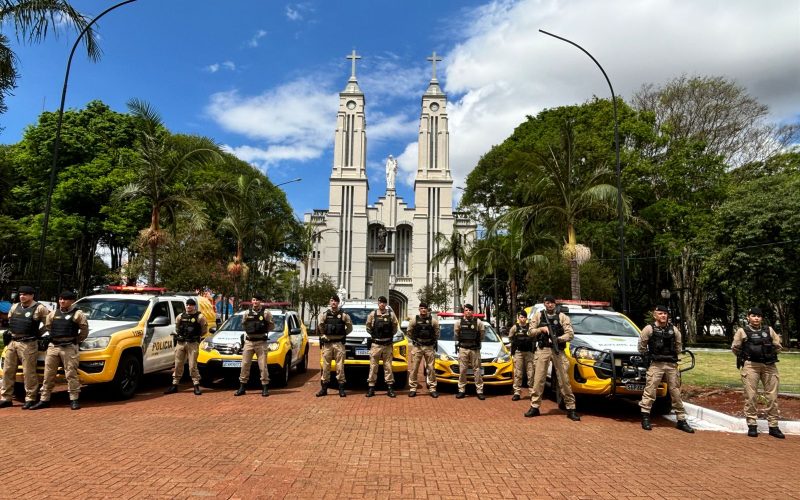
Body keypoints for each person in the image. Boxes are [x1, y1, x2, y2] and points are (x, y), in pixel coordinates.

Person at [637, 305, 693, 433]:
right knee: (650, 390)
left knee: (675, 392)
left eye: (665, 314)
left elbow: (678, 346)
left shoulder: (674, 330)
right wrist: (647, 357)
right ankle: (645, 417)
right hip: (656, 364)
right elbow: (641, 346)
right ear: (655, 315)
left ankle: (681, 420)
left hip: (671, 364)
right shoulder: (649, 329)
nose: (663, 316)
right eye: (660, 313)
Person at [732, 307, 785, 438]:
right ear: (748, 317)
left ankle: (773, 426)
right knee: (751, 395)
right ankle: (752, 424)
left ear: (762, 318)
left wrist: (769, 353)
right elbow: (735, 348)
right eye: (753, 315)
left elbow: (778, 346)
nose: (756, 318)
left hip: (769, 366)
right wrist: (746, 357)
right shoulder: (742, 331)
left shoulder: (769, 330)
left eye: (759, 316)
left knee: (772, 396)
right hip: (751, 366)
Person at [31, 290, 89, 410]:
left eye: (65, 299)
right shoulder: (53, 313)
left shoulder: (78, 314)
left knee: (71, 374)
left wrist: (75, 340)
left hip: (69, 347)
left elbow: (84, 332)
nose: (62, 301)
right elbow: (48, 326)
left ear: (72, 301)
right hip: (53, 347)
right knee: (48, 374)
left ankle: (74, 399)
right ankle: (44, 399)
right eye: (60, 299)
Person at [525, 296, 580, 421]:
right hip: (543, 349)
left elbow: (570, 334)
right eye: (547, 303)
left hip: (558, 350)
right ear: (544, 304)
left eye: (551, 303)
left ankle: (570, 408)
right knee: (538, 379)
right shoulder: (538, 316)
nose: (549, 305)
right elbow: (530, 332)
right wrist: (541, 329)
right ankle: (535, 406)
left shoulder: (562, 317)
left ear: (555, 304)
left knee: (564, 380)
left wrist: (558, 339)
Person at [0, 285, 49, 409]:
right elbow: (11, 321)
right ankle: (6, 398)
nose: (22, 296)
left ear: (32, 295)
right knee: (7, 371)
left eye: (25, 294)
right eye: (21, 294)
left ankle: (30, 398)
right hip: (13, 342)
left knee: (28, 372)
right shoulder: (15, 306)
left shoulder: (39, 308)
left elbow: (49, 323)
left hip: (28, 344)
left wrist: (38, 334)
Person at [164, 298, 208, 396]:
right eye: (187, 305)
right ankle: (174, 385)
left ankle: (196, 385)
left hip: (192, 343)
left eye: (191, 305)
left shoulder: (200, 317)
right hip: (181, 343)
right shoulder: (180, 316)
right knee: (178, 364)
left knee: (192, 365)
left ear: (194, 306)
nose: (188, 306)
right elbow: (177, 327)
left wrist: (196, 336)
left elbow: (204, 330)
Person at [234, 294, 274, 397]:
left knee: (263, 366)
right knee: (245, 365)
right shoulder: (247, 313)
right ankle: (242, 387)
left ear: (260, 301)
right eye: (254, 300)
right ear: (252, 301)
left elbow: (271, 325)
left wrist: (261, 331)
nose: (255, 302)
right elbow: (243, 324)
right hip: (249, 342)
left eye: (257, 300)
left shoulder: (266, 313)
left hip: (261, 342)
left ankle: (265, 387)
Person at [316, 295, 352, 397]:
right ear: (330, 302)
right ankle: (324, 389)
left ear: (338, 303)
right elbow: (320, 326)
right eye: (332, 301)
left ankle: (341, 388)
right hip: (327, 344)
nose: (334, 303)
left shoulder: (344, 315)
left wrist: (343, 334)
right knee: (326, 366)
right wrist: (323, 335)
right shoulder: (325, 314)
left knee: (340, 366)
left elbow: (349, 327)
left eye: (336, 301)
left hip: (339, 344)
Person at [365, 296, 399, 398]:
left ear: (386, 304)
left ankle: (390, 388)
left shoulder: (391, 315)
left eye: (384, 302)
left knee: (388, 367)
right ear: (378, 303)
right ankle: (371, 388)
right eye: (380, 302)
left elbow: (395, 328)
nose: (382, 304)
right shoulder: (373, 314)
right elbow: (368, 327)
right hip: (376, 345)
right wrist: (375, 335)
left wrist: (388, 336)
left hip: (387, 345)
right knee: (373, 367)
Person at [406, 302, 440, 398]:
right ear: (419, 309)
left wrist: (432, 341)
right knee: (414, 368)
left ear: (427, 309)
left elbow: (437, 332)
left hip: (429, 347)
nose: (423, 310)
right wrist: (415, 339)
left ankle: (432, 388)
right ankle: (413, 389)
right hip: (418, 347)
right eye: (421, 308)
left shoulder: (433, 321)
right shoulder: (414, 320)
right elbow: (409, 332)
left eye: (425, 308)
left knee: (431, 369)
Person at [454, 304, 485, 400]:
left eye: (470, 310)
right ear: (464, 311)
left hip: (474, 349)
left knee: (477, 370)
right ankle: (461, 390)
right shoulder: (459, 322)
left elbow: (482, 335)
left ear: (472, 311)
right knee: (462, 370)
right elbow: (456, 334)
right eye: (466, 310)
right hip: (463, 348)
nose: (468, 312)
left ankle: (479, 391)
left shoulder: (478, 322)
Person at [509, 310, 535, 401]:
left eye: (524, 317)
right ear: (518, 318)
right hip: (518, 352)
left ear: (526, 318)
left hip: (529, 353)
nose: (522, 319)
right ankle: (517, 392)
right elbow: (510, 338)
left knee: (531, 373)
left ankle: (532, 392)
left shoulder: (530, 328)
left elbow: (534, 338)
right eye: (521, 317)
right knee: (518, 373)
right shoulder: (514, 328)